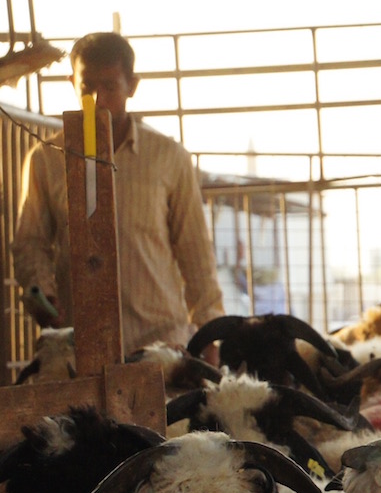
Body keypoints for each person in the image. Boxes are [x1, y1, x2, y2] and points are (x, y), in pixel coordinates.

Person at [12, 32, 224, 355]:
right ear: (72, 83)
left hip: (160, 347)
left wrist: (209, 336)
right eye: (87, 86)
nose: (98, 99)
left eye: (110, 86)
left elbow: (196, 256)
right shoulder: (46, 160)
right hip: (80, 346)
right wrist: (44, 292)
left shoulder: (168, 158)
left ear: (132, 86)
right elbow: (30, 243)